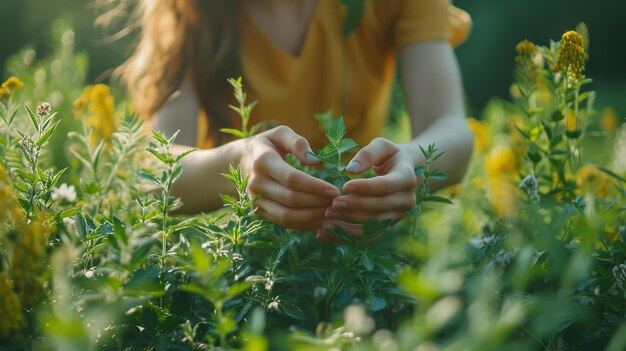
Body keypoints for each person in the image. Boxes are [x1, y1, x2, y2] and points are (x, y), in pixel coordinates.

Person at [119, 0, 474, 237]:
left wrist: (411, 161)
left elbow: (449, 127)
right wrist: (239, 166)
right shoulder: (188, 9)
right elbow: (151, 169)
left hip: (359, 251)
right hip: (243, 258)